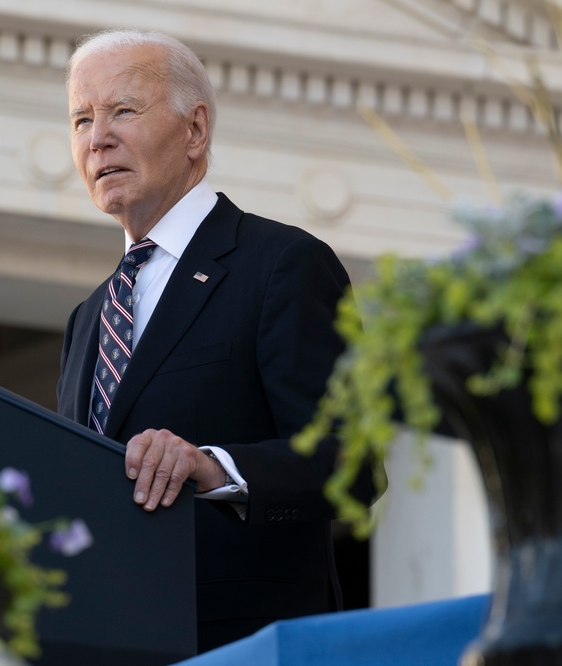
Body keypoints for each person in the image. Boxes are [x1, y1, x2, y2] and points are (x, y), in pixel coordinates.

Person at [56, 29, 375, 652]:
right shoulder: (88, 317)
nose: (98, 138)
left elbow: (354, 464)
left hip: (238, 643)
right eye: (81, 119)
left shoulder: (283, 264)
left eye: (123, 110)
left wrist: (213, 466)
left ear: (195, 130)